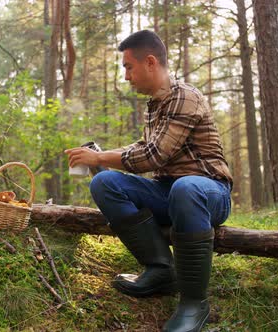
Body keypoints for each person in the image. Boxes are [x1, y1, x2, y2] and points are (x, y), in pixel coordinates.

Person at [64, 30, 232, 332]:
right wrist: (101, 157)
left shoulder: (185, 98)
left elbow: (152, 157)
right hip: (170, 192)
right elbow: (142, 150)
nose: (126, 76)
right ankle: (160, 269)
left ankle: (194, 303)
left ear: (150, 62)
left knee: (186, 187)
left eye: (128, 67)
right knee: (104, 184)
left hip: (209, 194)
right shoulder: (156, 104)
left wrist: (100, 159)